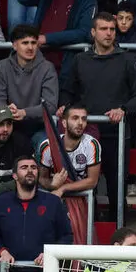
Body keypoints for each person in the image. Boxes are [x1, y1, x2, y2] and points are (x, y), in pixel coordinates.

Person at [60, 11, 136, 222]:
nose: (109, 34)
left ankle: (119, 242)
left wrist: (124, 110)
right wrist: (63, 106)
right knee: (80, 188)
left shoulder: (127, 59)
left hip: (116, 136)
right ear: (93, 32)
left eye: (112, 29)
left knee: (116, 191)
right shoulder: (80, 60)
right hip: (85, 136)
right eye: (103, 29)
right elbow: (67, 91)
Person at [37, 102, 100, 241]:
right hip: (54, 200)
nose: (80, 123)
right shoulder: (48, 146)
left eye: (84, 119)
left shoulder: (91, 144)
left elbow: (92, 181)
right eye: (75, 118)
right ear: (64, 123)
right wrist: (52, 185)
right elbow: (41, 178)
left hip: (82, 200)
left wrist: (63, 188)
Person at [0, 25, 59, 144]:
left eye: (33, 42)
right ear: (15, 45)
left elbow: (50, 106)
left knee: (44, 143)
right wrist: (6, 110)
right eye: (25, 43)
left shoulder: (47, 68)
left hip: (39, 128)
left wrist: (24, 113)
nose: (30, 47)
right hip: (9, 125)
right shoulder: (2, 66)